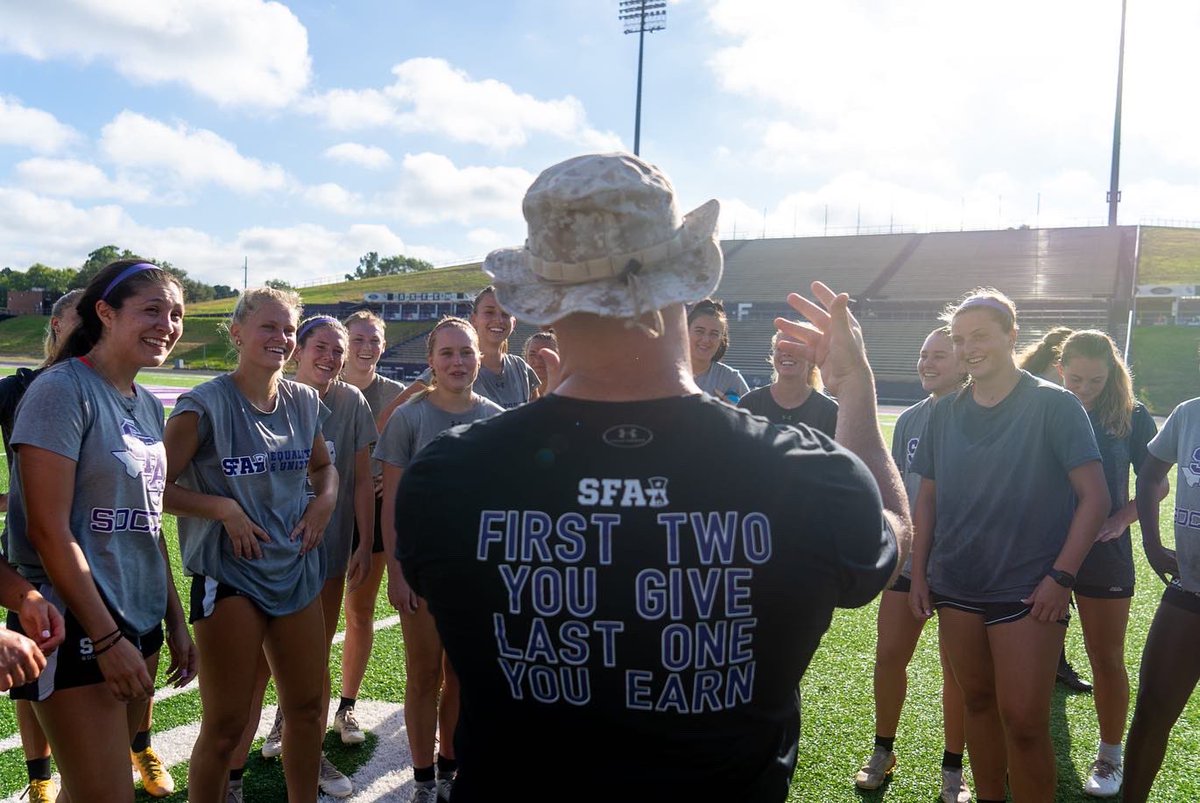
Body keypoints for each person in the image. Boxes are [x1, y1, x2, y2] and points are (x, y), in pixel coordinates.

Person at [394, 152, 907, 802]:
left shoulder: (444, 475)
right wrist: (853, 389)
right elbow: (895, 540)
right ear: (683, 285)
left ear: (545, 302)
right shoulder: (809, 476)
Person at [908, 289, 1110, 803]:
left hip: (1028, 589)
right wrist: (921, 571)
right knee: (977, 703)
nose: (968, 348)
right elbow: (927, 500)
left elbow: (1095, 499)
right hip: (956, 584)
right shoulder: (943, 413)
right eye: (959, 339)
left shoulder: (1054, 404)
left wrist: (1061, 577)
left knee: (1023, 721)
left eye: (980, 335)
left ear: (1010, 335)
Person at [5, 260, 196, 802]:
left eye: (176, 313)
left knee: (90, 791)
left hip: (138, 618)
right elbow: (47, 529)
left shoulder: (145, 407)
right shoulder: (61, 390)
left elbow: (149, 523)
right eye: (152, 309)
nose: (168, 324)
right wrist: (106, 638)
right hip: (72, 625)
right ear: (106, 313)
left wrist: (174, 619)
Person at [164, 286, 338, 803]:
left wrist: (324, 502)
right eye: (269, 326)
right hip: (231, 574)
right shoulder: (205, 404)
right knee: (226, 725)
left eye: (288, 329)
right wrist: (222, 508)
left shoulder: (305, 401)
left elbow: (324, 468)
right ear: (237, 332)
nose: (281, 338)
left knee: (307, 708)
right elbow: (153, 487)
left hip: (296, 569)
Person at [235, 315, 376, 799]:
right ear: (298, 350)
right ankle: (234, 770)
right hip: (265, 559)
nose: (330, 357)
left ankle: (308, 752)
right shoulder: (273, 398)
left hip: (326, 554)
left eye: (338, 350)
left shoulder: (350, 401)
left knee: (313, 661)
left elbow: (356, 480)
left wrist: (362, 541)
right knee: (253, 670)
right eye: (321, 346)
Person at [376, 317, 503, 803]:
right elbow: (393, 503)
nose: (457, 362)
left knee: (462, 675)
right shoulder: (410, 417)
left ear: (479, 357)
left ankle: (451, 768)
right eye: (447, 353)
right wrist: (398, 571)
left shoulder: (494, 416)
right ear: (430, 361)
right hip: (424, 570)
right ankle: (424, 780)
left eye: (466, 352)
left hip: (476, 571)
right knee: (424, 674)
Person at [854, 326, 970, 802]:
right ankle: (883, 749)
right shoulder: (909, 420)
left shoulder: (981, 415)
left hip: (962, 564)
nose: (927, 363)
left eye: (939, 355)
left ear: (964, 362)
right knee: (889, 657)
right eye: (923, 354)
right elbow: (901, 495)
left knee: (957, 671)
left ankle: (954, 767)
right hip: (908, 567)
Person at [1057, 330, 1163, 797]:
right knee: (1035, 657)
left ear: (1112, 373)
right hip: (1045, 552)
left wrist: (1122, 518)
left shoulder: (1131, 416)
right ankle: (1028, 743)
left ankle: (1110, 756)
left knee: (1105, 657)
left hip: (1105, 554)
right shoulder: (1043, 407)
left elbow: (1157, 485)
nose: (1083, 389)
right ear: (1061, 369)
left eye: (1095, 381)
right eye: (1075, 378)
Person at [0, 288, 81, 803]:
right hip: (30, 562)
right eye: (81, 320)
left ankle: (139, 748)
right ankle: (39, 777)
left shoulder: (115, 390)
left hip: (101, 559)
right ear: (54, 326)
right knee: (32, 678)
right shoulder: (19, 389)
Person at [1122, 389, 1200, 802]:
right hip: (1190, 588)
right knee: (1152, 714)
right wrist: (1152, 544)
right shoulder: (1189, 413)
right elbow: (1151, 474)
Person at [336, 310, 405, 745]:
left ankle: (347, 707)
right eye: (358, 338)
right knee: (307, 620)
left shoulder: (397, 393)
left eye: (374, 340)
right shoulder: (317, 387)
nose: (367, 347)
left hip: (373, 517)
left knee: (359, 612)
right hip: (318, 514)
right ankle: (288, 710)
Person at [1018, 325, 1092, 693]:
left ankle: (1054, 663)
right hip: (1036, 517)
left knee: (1054, 593)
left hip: (1068, 512)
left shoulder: (1069, 400)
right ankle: (1047, 665)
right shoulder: (1032, 389)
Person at [387, 287, 539, 413]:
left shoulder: (522, 369)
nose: (498, 319)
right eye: (489, 312)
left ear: (514, 321)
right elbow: (389, 418)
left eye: (506, 314)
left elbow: (537, 420)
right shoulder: (454, 369)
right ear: (474, 319)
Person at [738, 330, 838, 436]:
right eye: (780, 348)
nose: (786, 353)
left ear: (811, 359)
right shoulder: (750, 403)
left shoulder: (829, 412)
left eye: (794, 348)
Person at [688, 297, 750, 402]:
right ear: (685, 331)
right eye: (699, 331)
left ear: (722, 340)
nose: (706, 340)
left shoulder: (731, 379)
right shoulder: (665, 372)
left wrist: (732, 413)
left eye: (714, 334)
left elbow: (751, 415)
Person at [522, 329, 558, 400]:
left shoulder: (570, 393)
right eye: (532, 354)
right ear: (525, 358)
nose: (538, 361)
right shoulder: (517, 394)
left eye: (545, 354)